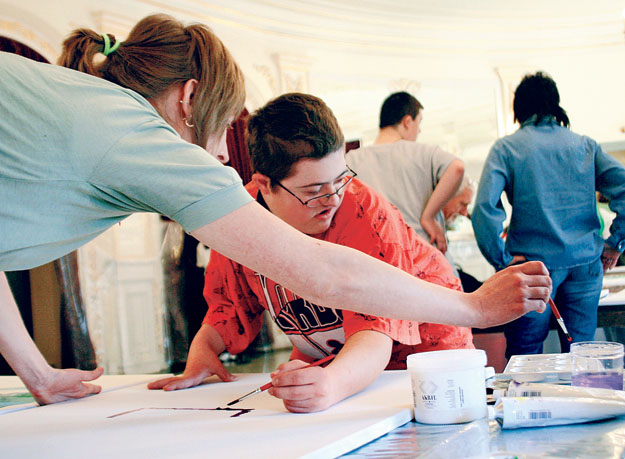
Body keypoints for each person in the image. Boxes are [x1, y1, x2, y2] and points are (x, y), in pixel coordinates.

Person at [0, 14, 552, 406]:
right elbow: (312, 278)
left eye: (340, 181)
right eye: (221, 126)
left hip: (412, 362)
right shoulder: (132, 129)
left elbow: (359, 300)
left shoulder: (82, 107)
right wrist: (478, 308)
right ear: (190, 100)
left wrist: (37, 372)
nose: (219, 155)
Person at [148, 93, 474, 412]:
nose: (332, 198)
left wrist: (332, 384)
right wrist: (204, 350)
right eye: (313, 190)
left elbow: (376, 328)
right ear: (264, 185)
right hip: (332, 350)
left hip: (425, 340)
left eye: (340, 179)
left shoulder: (367, 213)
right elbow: (229, 304)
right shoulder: (239, 216)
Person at [472, 71, 625, 357]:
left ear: (519, 109)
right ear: (555, 105)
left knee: (526, 355)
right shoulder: (586, 146)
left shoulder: (507, 148)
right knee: (584, 356)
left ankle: (530, 401)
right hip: (586, 265)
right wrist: (616, 243)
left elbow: (483, 209)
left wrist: (502, 261)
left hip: (531, 270)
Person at [346, 91, 464, 254]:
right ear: (408, 121)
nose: (419, 131)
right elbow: (457, 167)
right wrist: (428, 216)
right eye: (419, 123)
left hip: (378, 257)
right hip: (422, 254)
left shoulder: (352, 159)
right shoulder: (422, 152)